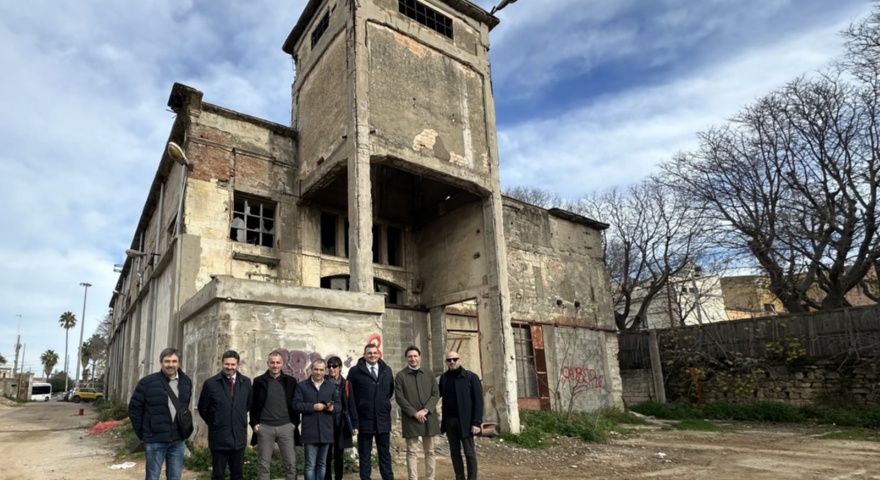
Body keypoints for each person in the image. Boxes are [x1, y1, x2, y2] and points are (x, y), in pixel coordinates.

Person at [129, 347, 193, 480]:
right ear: (161, 363)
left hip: (177, 440)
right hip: (155, 440)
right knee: (152, 477)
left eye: (174, 361)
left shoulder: (186, 382)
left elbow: (184, 409)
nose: (170, 365)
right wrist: (144, 433)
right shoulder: (147, 382)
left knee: (175, 477)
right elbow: (134, 409)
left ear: (178, 363)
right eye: (167, 361)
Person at [197, 350, 253, 480]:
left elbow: (248, 404)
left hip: (238, 437)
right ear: (222, 363)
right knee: (218, 475)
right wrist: (215, 421)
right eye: (227, 364)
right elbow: (203, 408)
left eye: (233, 364)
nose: (229, 367)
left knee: (237, 474)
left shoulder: (246, 382)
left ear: (238, 365)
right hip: (219, 437)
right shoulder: (211, 383)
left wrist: (236, 418)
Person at [347, 343, 395, 480]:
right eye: (369, 353)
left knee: (384, 453)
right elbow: (350, 395)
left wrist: (382, 404)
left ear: (378, 354)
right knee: (364, 454)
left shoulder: (386, 370)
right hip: (364, 419)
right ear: (364, 355)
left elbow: (390, 391)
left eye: (374, 353)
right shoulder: (355, 372)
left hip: (382, 419)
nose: (372, 355)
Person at [250, 351, 300, 480]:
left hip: (286, 427)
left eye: (278, 362)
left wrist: (294, 423)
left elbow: (295, 404)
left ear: (282, 363)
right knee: (264, 465)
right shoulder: (258, 381)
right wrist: (254, 424)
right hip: (265, 428)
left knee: (291, 464)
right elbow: (253, 405)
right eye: (272, 362)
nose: (275, 365)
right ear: (268, 363)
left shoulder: (291, 381)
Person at [394, 346, 440, 480]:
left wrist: (425, 410)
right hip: (411, 418)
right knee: (412, 451)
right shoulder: (401, 376)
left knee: (430, 451)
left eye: (415, 356)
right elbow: (399, 397)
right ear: (406, 358)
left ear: (419, 357)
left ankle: (430, 477)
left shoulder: (428, 373)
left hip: (428, 417)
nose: (413, 359)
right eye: (410, 356)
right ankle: (413, 478)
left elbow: (435, 394)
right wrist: (414, 413)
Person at [439, 351, 483, 480]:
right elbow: (438, 395)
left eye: (455, 359)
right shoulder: (444, 378)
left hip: (466, 422)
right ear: (446, 362)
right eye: (449, 360)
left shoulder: (471, 377)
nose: (452, 362)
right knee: (454, 452)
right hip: (449, 421)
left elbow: (478, 402)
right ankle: (459, 477)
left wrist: (476, 422)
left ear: (460, 360)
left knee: (469, 453)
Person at [294, 359, 337, 480]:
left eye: (321, 370)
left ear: (325, 371)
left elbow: (339, 404)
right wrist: (312, 407)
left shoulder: (331, 386)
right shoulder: (302, 386)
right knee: (310, 465)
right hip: (310, 431)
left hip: (326, 430)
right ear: (311, 370)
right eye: (316, 369)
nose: (319, 372)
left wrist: (332, 407)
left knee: (322, 464)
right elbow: (295, 405)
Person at [324, 356, 357, 480]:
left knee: (339, 454)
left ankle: (339, 477)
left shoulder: (346, 384)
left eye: (334, 366)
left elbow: (351, 405)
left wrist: (355, 424)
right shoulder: (323, 382)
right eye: (329, 366)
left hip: (341, 423)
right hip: (326, 421)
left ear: (340, 368)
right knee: (326, 454)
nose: (331, 369)